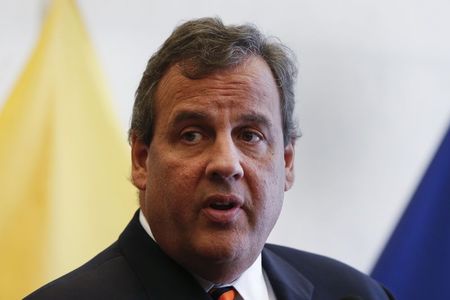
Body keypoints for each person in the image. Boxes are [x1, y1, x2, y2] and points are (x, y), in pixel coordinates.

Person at [25, 17, 394, 300]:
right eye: (192, 135)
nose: (226, 164)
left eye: (250, 135)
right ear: (141, 159)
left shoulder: (359, 294)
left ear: (287, 162)